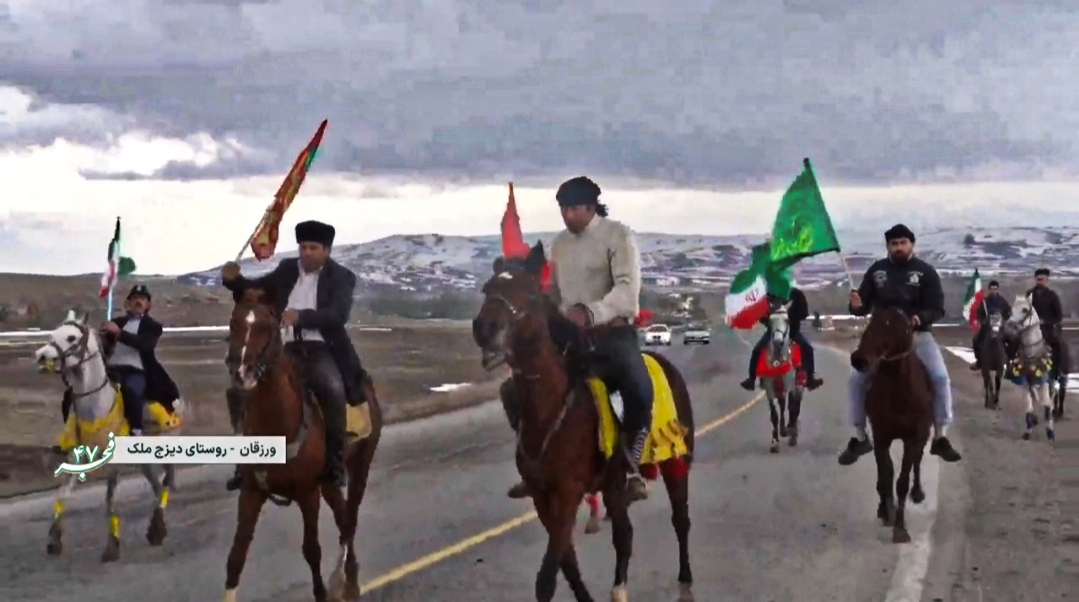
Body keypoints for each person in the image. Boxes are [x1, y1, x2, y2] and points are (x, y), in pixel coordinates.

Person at [502, 176, 652, 503]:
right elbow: (554, 292)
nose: (567, 216)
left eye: (573, 209)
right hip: (570, 337)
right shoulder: (560, 244)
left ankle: (630, 465)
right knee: (513, 389)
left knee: (638, 387)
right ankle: (533, 462)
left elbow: (627, 291)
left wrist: (590, 312)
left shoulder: (618, 236)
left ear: (590, 206)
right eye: (563, 210)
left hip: (613, 332)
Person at [220, 220, 368, 489]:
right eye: (303, 247)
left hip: (320, 346)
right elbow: (257, 291)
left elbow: (338, 315)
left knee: (332, 387)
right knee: (242, 389)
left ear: (327, 250)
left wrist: (301, 317)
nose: (306, 252)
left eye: (313, 247)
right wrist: (233, 281)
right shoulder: (288, 269)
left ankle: (335, 465)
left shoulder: (342, 277)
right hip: (283, 347)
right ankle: (244, 464)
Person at [839, 223, 962, 465]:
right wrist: (855, 306)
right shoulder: (877, 271)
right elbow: (862, 306)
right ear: (887, 247)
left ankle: (940, 436)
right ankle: (860, 436)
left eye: (902, 243)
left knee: (939, 378)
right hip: (882, 339)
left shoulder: (925, 272)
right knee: (856, 379)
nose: (898, 247)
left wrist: (920, 318)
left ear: (911, 245)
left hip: (917, 336)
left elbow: (937, 308)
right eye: (893, 244)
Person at [89, 284, 181, 434]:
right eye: (134, 298)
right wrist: (104, 339)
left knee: (133, 390)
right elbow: (105, 348)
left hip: (135, 370)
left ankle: (136, 429)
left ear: (148, 305)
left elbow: (145, 345)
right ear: (128, 303)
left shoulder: (153, 326)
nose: (138, 301)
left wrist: (119, 333)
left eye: (142, 299)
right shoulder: (116, 322)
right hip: (110, 369)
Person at [740, 287, 824, 391]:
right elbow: (759, 313)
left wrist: (790, 319)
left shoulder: (796, 294)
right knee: (757, 350)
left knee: (808, 349)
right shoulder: (768, 295)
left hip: (793, 331)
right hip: (773, 331)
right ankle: (751, 379)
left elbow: (804, 313)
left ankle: (810, 379)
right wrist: (769, 321)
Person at [1025, 268, 1065, 378]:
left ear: (1046, 280)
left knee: (1059, 345)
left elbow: (1059, 316)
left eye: (1042, 279)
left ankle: (1057, 370)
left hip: (1047, 329)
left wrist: (1046, 322)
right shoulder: (1029, 294)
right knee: (1015, 340)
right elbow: (1024, 310)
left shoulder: (1052, 296)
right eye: (1038, 279)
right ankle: (1011, 366)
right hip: (1031, 328)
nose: (1039, 282)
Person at [969, 280, 1012, 371]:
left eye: (995, 289)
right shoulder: (984, 302)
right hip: (987, 327)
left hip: (1001, 327)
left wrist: (1005, 320)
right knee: (975, 340)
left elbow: (1009, 312)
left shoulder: (1002, 301)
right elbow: (979, 313)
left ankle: (1009, 362)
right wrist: (982, 321)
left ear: (998, 289)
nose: (994, 291)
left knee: (1013, 339)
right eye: (992, 289)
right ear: (989, 290)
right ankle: (979, 361)